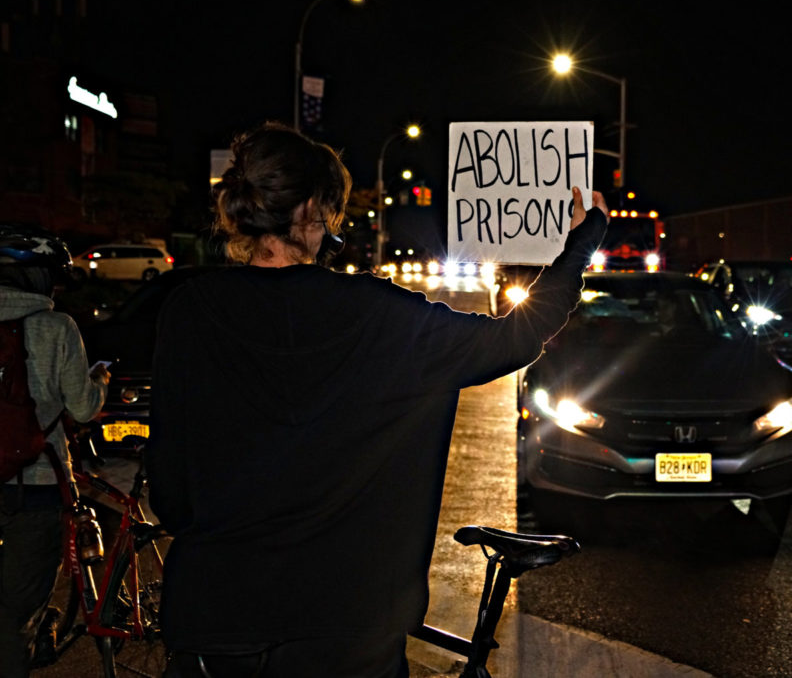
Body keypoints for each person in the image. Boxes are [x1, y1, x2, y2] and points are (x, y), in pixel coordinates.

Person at [147, 120, 608, 678]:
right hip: (349, 623)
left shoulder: (189, 310)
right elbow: (514, 337)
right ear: (314, 211)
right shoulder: (376, 313)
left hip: (217, 616)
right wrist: (578, 246)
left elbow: (169, 489)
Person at [0, 224, 110, 677]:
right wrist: (99, 382)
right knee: (14, 614)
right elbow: (82, 409)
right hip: (36, 486)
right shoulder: (56, 327)